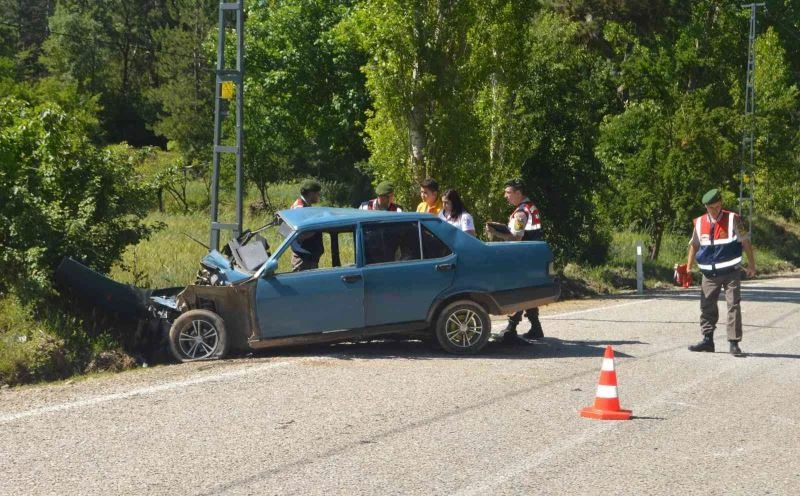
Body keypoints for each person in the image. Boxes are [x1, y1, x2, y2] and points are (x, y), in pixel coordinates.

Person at [686, 188, 756, 356]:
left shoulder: (734, 219)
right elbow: (694, 245)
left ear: (721, 203)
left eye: (717, 207)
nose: (715, 210)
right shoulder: (700, 222)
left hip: (731, 272)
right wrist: (688, 266)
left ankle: (733, 343)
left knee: (733, 305)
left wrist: (751, 265)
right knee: (706, 306)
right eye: (711, 208)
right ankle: (707, 340)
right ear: (706, 207)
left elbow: (745, 242)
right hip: (709, 274)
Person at [485, 178, 545, 344]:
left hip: (522, 257)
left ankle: (511, 328)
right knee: (527, 291)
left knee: (519, 292)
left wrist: (496, 232)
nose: (506, 196)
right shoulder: (529, 207)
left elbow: (516, 237)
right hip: (532, 255)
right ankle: (535, 327)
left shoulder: (521, 212)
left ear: (519, 193)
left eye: (508, 192)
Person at [290, 179, 324, 271]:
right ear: (311, 193)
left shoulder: (306, 206)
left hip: (308, 257)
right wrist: (318, 227)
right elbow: (300, 235)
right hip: (303, 258)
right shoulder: (300, 208)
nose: (318, 196)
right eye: (317, 193)